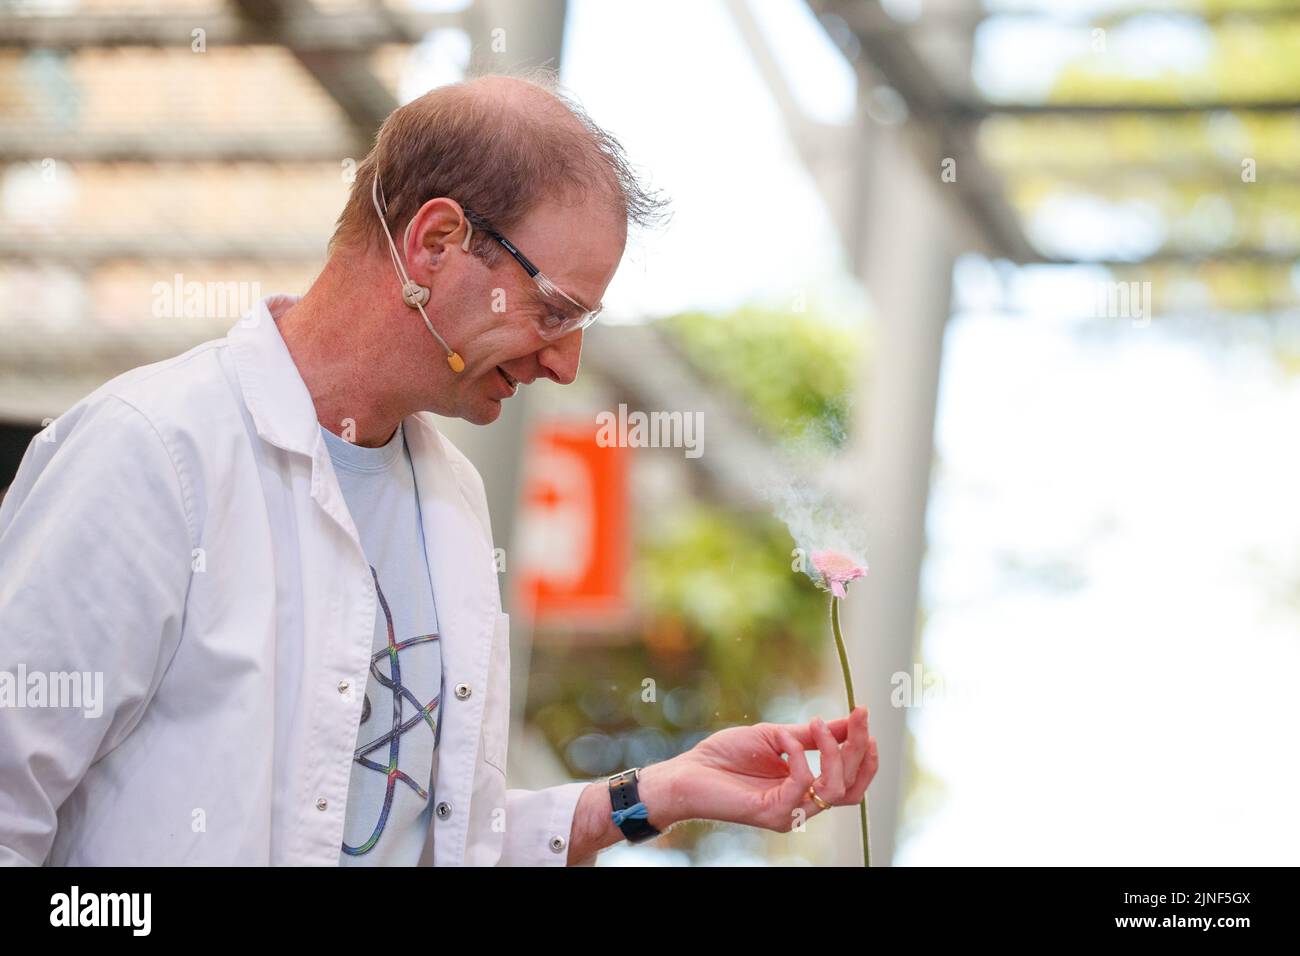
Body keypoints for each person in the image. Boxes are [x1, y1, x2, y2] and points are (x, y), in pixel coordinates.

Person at [0, 72, 878, 866]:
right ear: (436, 242)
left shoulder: (451, 496)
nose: (566, 364)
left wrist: (653, 795)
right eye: (554, 311)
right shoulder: (153, 451)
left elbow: (441, 836)